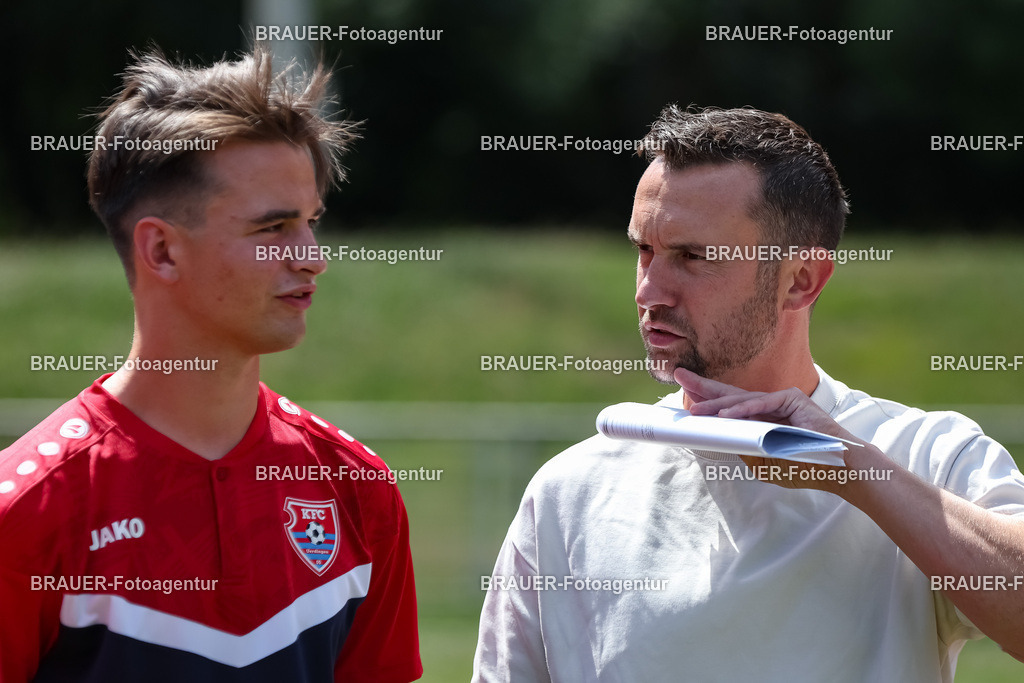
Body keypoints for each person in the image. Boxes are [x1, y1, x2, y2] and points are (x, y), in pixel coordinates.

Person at [473, 105, 1024, 682]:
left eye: (692, 257)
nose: (650, 291)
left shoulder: (923, 454)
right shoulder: (569, 490)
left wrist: (850, 471)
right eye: (644, 251)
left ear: (800, 280)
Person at [0, 45, 421, 682]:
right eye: (273, 228)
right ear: (162, 250)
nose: (312, 257)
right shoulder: (28, 511)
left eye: (310, 222)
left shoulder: (358, 489)